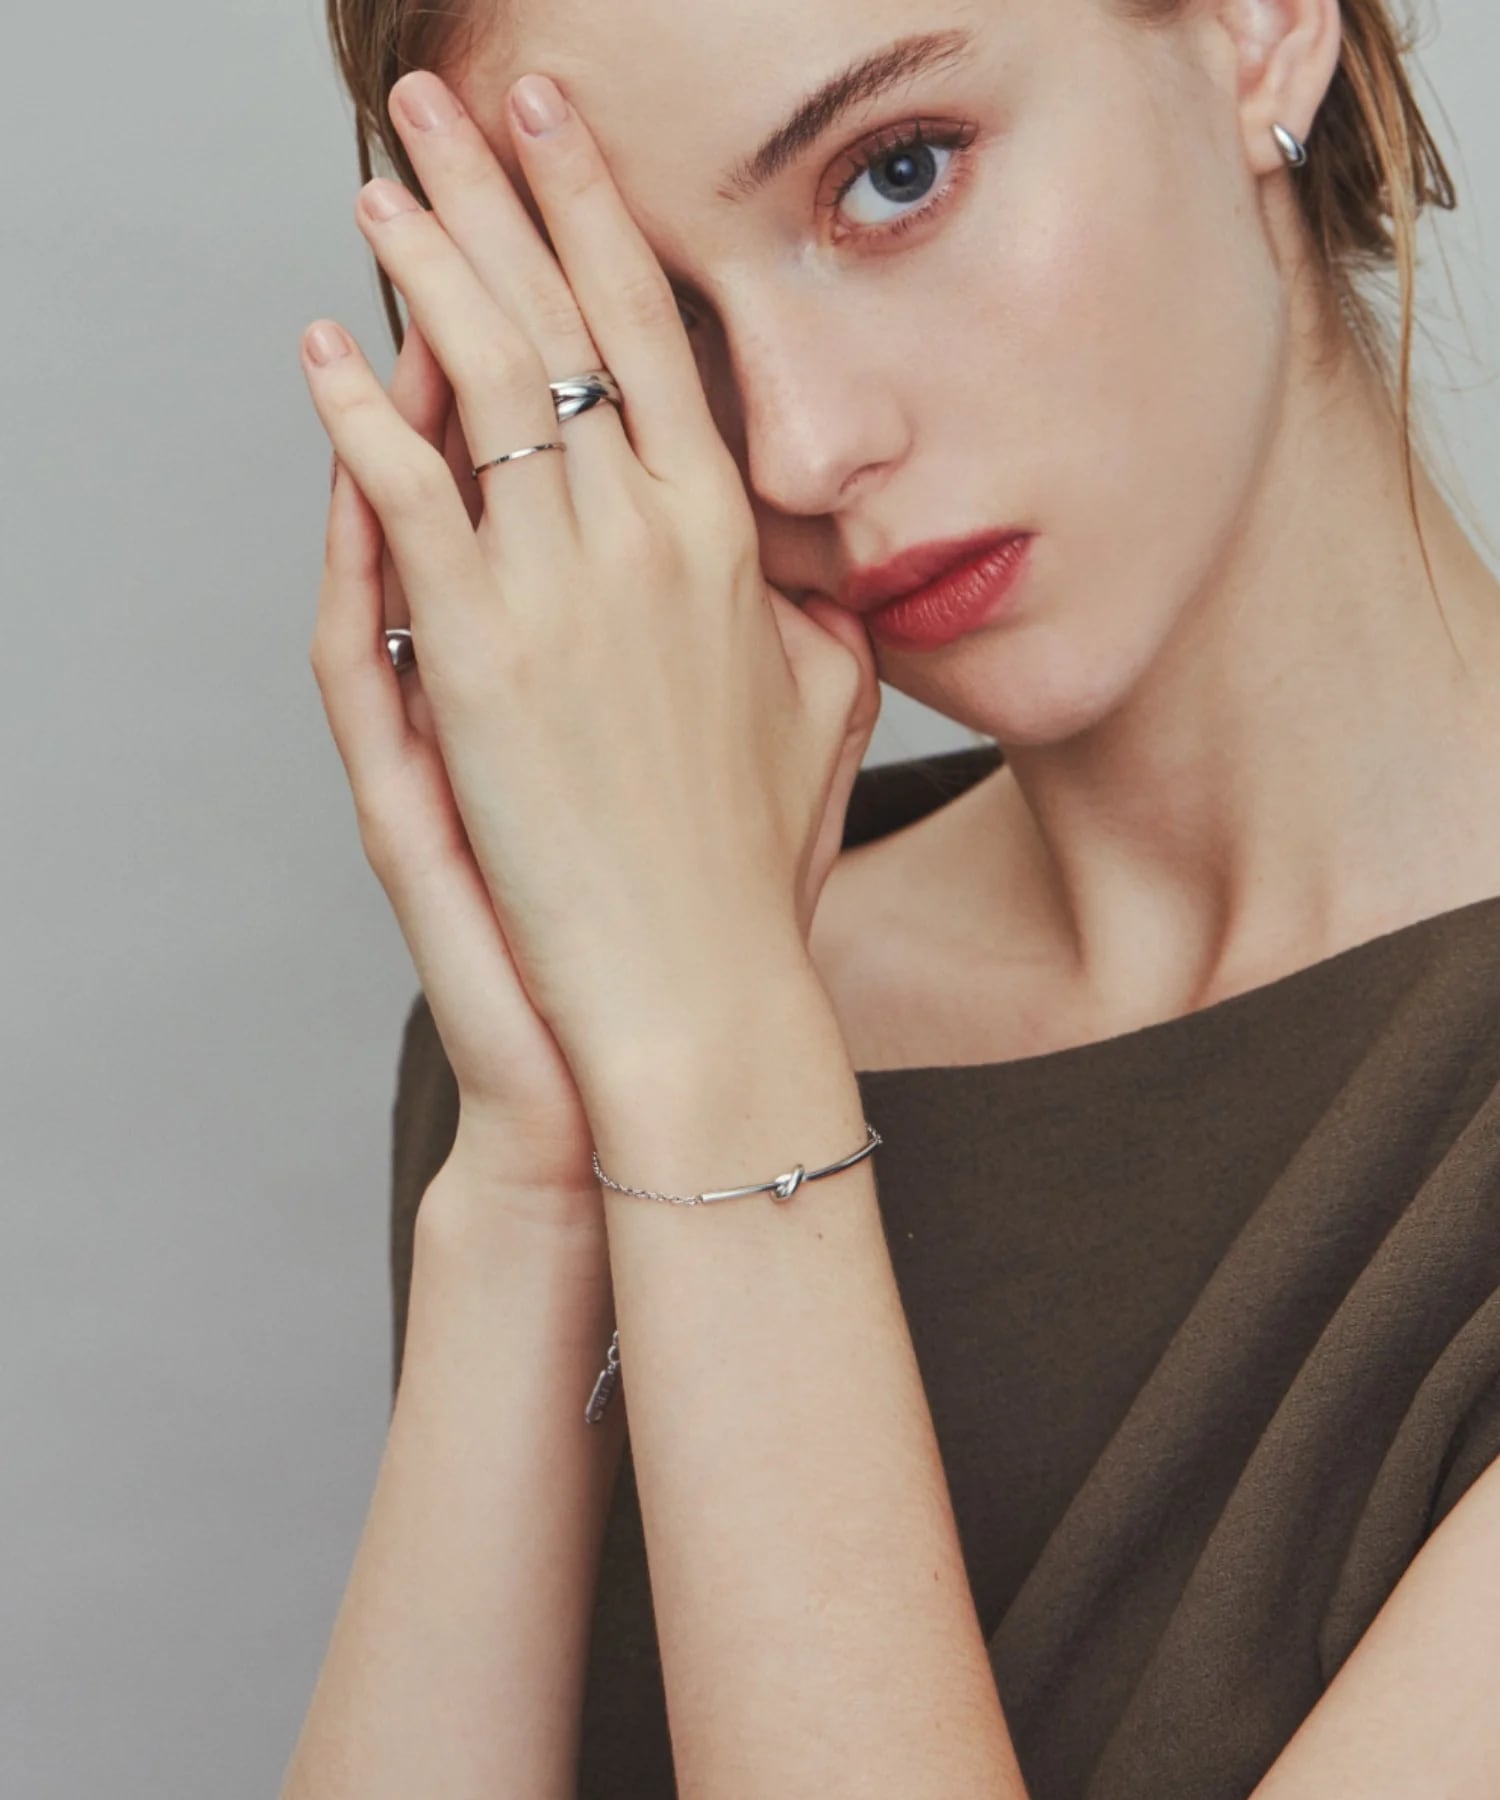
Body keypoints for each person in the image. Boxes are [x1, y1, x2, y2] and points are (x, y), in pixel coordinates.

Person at [279, 0, 1500, 1795]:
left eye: (898, 174)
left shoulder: (693, 1009)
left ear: (1258, 26)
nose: (795, 446)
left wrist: (716, 1067)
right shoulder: (631, 998)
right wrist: (538, 1178)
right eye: (648, 322)